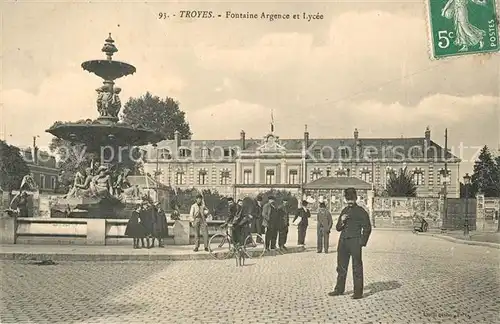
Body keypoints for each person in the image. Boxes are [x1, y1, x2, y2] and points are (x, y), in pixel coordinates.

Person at [329, 187, 372, 299]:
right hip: (343, 242)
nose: (350, 202)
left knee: (357, 267)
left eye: (351, 199)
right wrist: (342, 220)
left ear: (356, 198)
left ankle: (358, 292)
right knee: (341, 267)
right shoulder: (344, 211)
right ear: (345, 199)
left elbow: (367, 228)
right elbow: (338, 228)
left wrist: (362, 242)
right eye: (348, 199)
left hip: (355, 241)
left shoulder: (361, 211)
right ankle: (339, 289)